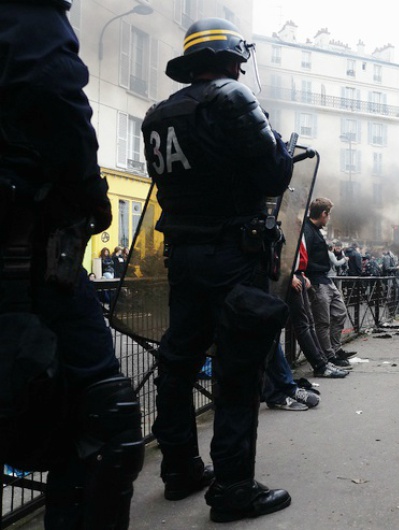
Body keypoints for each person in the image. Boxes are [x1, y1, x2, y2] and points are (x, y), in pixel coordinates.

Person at [141, 17, 294, 523]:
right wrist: (282, 148)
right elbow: (272, 174)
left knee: (178, 360)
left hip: (183, 255)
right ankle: (232, 488)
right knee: (238, 366)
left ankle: (180, 469)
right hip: (233, 254)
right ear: (232, 59)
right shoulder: (233, 98)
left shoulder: (157, 115)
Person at [0, 2, 144, 528]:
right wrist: (90, 194)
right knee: (102, 425)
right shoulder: (26, 13)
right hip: (24, 259)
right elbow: (54, 100)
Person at [304, 198, 356, 366]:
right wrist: (304, 275)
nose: (329, 219)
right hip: (317, 281)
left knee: (340, 312)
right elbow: (304, 257)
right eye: (329, 215)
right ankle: (328, 356)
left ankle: (335, 349)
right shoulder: (307, 230)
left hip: (326, 279)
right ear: (323, 214)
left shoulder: (316, 230)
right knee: (323, 321)